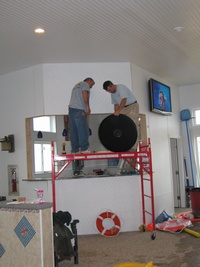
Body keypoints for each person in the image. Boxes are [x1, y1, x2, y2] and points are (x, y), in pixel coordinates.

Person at [103, 80, 139, 151]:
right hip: (123, 108)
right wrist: (115, 113)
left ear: (112, 85)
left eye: (110, 90)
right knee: (122, 126)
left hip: (131, 106)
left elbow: (123, 100)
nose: (109, 92)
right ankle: (125, 145)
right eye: (108, 91)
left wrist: (119, 110)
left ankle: (132, 148)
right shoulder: (112, 94)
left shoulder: (121, 88)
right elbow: (116, 104)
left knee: (132, 125)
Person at [68, 78, 95, 153]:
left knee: (74, 130)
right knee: (82, 129)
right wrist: (87, 107)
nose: (91, 86)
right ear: (89, 81)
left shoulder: (76, 85)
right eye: (92, 84)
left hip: (71, 109)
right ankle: (84, 148)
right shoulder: (85, 84)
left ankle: (75, 149)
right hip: (79, 110)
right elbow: (85, 93)